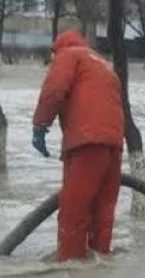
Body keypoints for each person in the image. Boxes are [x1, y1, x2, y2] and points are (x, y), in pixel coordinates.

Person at [31, 29, 127, 262]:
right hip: (113, 144)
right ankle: (99, 260)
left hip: (87, 143)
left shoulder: (68, 56)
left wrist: (40, 125)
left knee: (74, 209)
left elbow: (54, 90)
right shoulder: (102, 63)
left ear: (56, 49)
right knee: (103, 210)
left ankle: (70, 267)